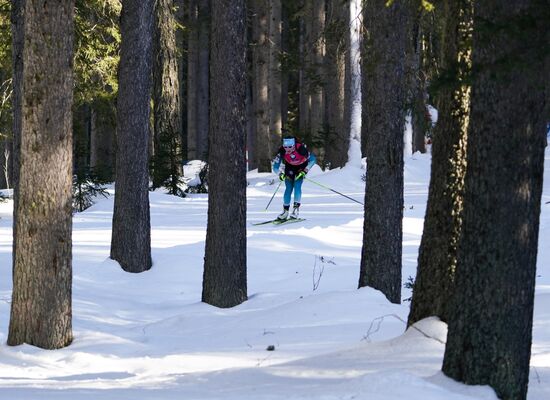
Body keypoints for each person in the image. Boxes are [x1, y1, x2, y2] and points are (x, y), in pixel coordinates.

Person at [272, 136, 317, 220]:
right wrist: (280, 174)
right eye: (285, 147)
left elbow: (313, 160)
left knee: (297, 186)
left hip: (301, 167)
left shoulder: (300, 148)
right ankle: (285, 212)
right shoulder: (282, 151)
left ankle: (295, 211)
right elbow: (275, 167)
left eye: (290, 147)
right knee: (288, 188)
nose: (288, 149)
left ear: (294, 145)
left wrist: (305, 171)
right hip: (290, 168)